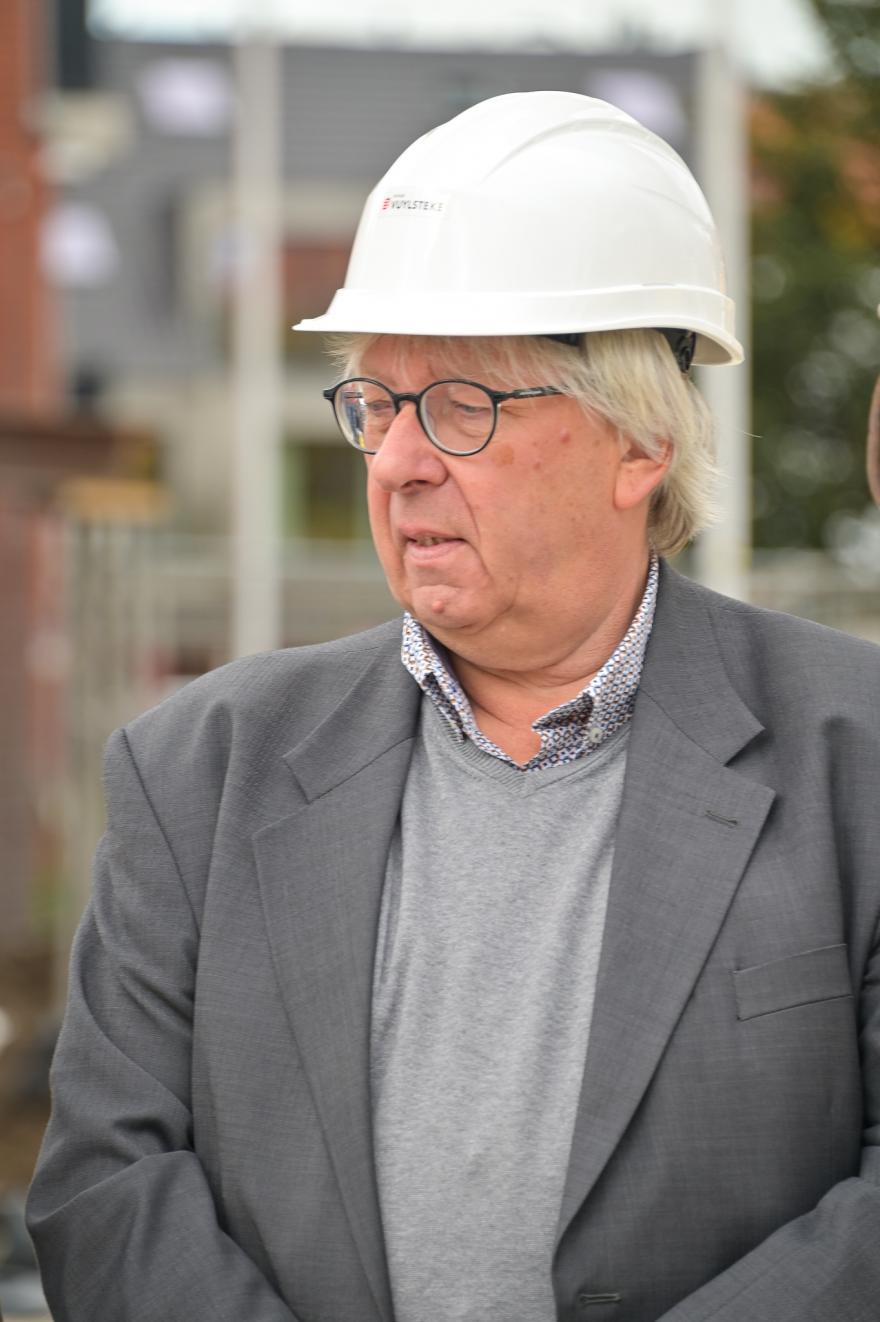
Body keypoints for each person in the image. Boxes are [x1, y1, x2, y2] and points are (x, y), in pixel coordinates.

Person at [27, 92, 880, 1322]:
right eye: (375, 405)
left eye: (461, 405)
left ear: (638, 443)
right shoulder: (199, 769)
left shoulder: (856, 756)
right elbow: (108, 1187)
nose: (395, 462)